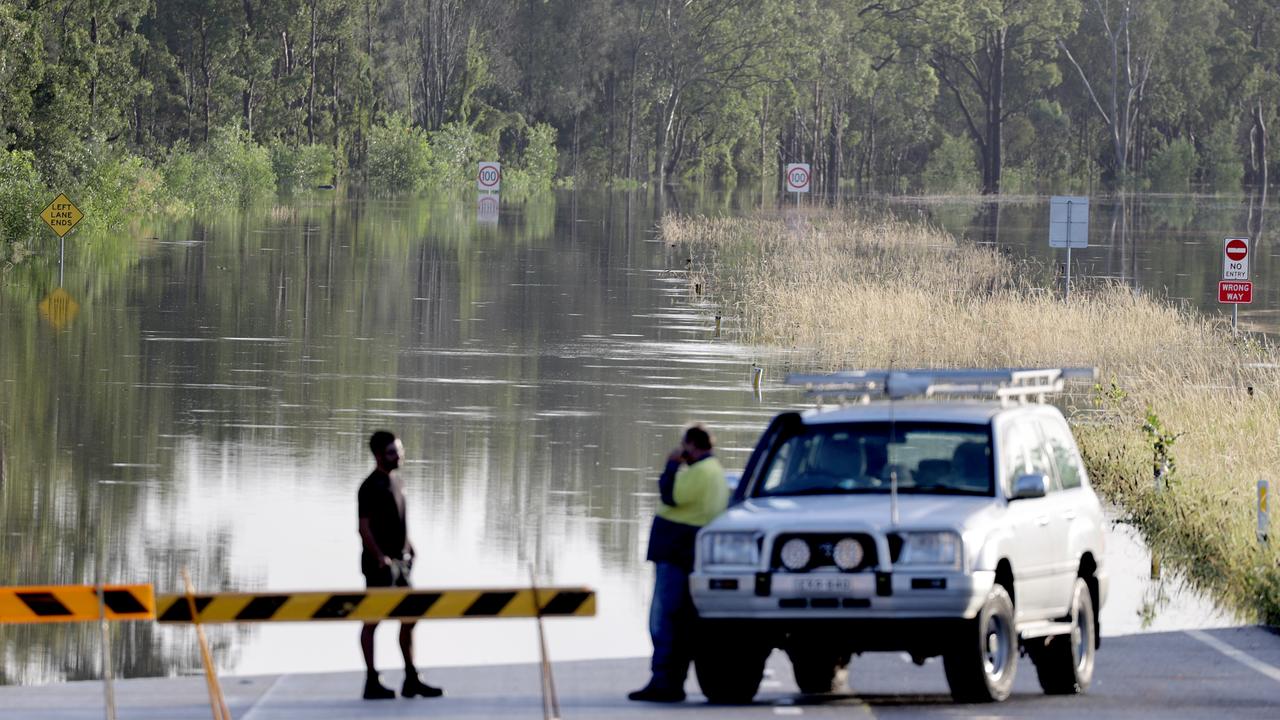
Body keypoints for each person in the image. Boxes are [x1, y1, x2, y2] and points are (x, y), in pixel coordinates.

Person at [628, 424, 729, 703]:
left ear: (692, 446)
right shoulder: (714, 471)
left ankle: (664, 681)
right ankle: (668, 680)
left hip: (675, 554)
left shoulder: (699, 472)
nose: (681, 451)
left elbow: (669, 494)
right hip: (686, 553)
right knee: (678, 619)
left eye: (684, 446)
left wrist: (672, 464)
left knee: (663, 620)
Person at [357, 430, 443, 700]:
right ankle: (372, 680)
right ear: (379, 455)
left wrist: (410, 545)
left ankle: (411, 678)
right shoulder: (370, 486)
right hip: (379, 566)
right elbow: (363, 527)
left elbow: (397, 520)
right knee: (373, 621)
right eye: (394, 452)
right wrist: (379, 556)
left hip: (402, 564)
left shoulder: (397, 482)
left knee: (410, 617)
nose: (400, 456)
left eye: (400, 450)